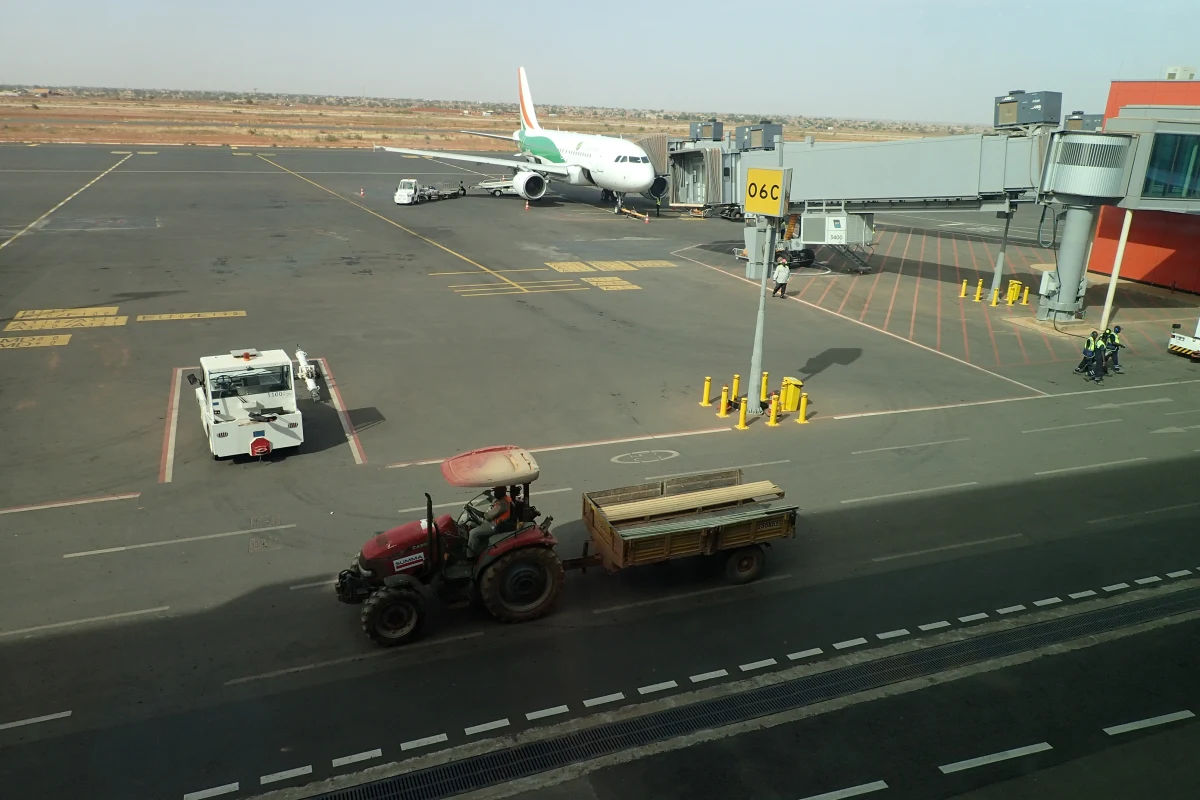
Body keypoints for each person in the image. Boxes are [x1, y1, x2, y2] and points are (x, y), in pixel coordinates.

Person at [467, 486, 515, 556]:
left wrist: (472, 509)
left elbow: (486, 516)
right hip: (493, 524)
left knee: (473, 533)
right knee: (471, 524)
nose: (495, 493)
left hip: (495, 527)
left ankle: (469, 557)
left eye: (496, 492)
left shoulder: (502, 505)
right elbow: (494, 500)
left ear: (501, 492)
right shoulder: (504, 499)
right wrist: (488, 495)